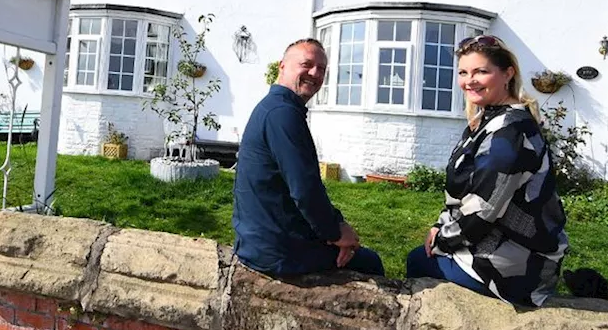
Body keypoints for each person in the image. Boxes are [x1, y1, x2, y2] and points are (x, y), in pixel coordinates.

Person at [406, 35, 568, 306]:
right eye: (463, 72)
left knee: (418, 261)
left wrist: (441, 240)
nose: (469, 80)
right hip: (491, 241)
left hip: (515, 264)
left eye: (481, 71)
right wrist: (440, 225)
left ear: (508, 74)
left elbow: (483, 209)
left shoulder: (510, 131)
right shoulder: (485, 121)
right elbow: (462, 193)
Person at [232, 38, 384, 277]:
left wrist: (336, 224)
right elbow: (305, 190)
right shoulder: (282, 114)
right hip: (276, 252)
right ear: (282, 67)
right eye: (306, 64)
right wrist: (336, 234)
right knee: (370, 263)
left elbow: (303, 188)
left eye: (321, 68)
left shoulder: (275, 107)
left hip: (261, 240)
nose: (315, 73)